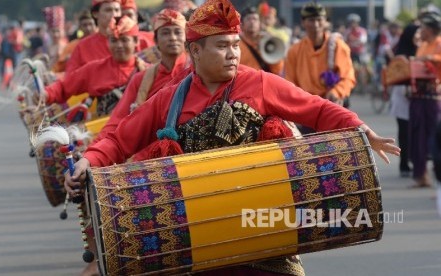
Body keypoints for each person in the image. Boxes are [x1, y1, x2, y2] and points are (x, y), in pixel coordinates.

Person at [65, 0, 400, 274]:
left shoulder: (259, 82)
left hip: (264, 229)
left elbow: (318, 109)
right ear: (195, 52)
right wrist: (87, 161)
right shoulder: (169, 98)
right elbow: (120, 139)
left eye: (236, 45)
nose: (233, 53)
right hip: (200, 234)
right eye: (222, 46)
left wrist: (363, 130)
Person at [94, 8, 189, 142]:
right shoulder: (141, 79)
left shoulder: (196, 72)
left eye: (178, 32)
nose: (172, 38)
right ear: (155, 40)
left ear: (186, 37)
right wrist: (92, 155)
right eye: (166, 33)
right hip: (147, 151)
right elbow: (116, 121)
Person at [43, 15, 146, 118]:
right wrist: (46, 94)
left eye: (124, 40)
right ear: (108, 42)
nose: (119, 45)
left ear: (136, 41)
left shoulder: (148, 72)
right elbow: (65, 86)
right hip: (104, 131)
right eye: (114, 40)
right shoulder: (95, 69)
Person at [285, 2, 355, 109]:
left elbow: (348, 77)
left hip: (332, 105)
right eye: (311, 20)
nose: (316, 24)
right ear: (303, 22)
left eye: (319, 20)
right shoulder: (294, 50)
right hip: (307, 108)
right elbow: (290, 84)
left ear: (326, 22)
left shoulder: (338, 46)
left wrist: (336, 91)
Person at [409, 11, 441, 188]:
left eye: (423, 27)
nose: (420, 30)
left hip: (433, 97)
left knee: (434, 138)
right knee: (417, 136)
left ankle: (436, 179)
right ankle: (421, 176)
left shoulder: (438, 44)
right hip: (417, 96)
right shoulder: (422, 45)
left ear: (431, 29)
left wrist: (430, 58)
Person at [388, 23, 419, 177]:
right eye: (416, 35)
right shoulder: (400, 54)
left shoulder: (423, 50)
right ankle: (404, 164)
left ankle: (417, 161)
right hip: (402, 95)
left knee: (417, 131)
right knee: (404, 131)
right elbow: (395, 75)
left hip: (418, 95)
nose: (419, 38)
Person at [65, 0, 121, 75]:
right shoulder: (82, 47)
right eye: (108, 10)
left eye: (117, 10)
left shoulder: (131, 42)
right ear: (95, 14)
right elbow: (70, 78)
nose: (114, 14)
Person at [239, 6, 284, 75]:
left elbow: (277, 69)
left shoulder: (267, 39)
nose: (252, 22)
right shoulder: (236, 44)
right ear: (241, 25)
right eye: (248, 19)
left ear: (260, 24)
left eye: (255, 19)